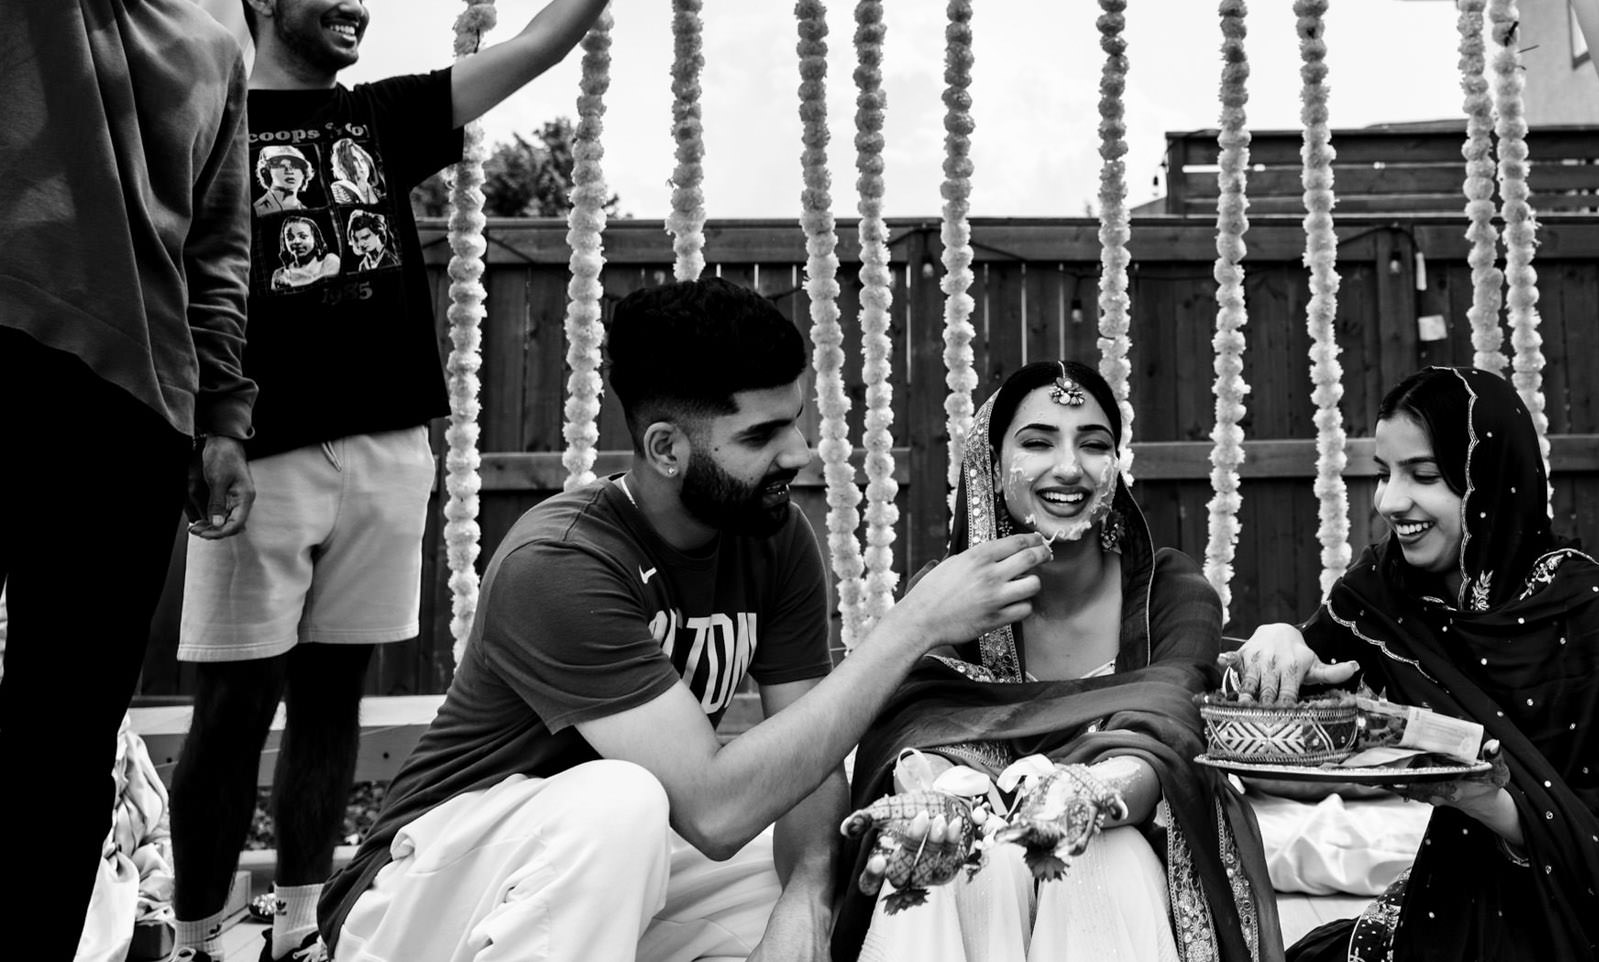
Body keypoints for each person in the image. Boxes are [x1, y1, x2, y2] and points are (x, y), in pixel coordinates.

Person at [165, 0, 677, 960]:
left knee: (329, 700)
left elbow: (535, 47)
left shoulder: (383, 117)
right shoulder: (206, 118)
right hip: (259, 450)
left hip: (394, 446)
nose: (353, 5)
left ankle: (304, 925)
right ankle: (196, 935)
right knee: (228, 706)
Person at [317, 276, 1054, 962]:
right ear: (666, 448)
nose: (798, 453)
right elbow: (713, 810)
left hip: (607, 870)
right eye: (761, 436)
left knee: (856, 878)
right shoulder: (561, 564)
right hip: (426, 891)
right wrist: (909, 626)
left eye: (795, 422)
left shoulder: (774, 537)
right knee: (626, 800)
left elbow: (809, 757)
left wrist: (805, 897)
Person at [0, 0, 351, 957]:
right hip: (6, 353)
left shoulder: (212, 49)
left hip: (135, 420)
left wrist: (220, 417)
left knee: (65, 728)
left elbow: (219, 249)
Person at [1231, 367, 1599, 962]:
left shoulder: (1590, 613)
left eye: (1424, 476)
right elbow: (1302, 684)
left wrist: (1479, 800)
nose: (1390, 501)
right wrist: (1281, 637)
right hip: (1454, 899)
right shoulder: (1386, 588)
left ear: (1490, 481)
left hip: (1586, 926)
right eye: (1384, 474)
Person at [830, 359, 1280, 962]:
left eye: (1093, 444)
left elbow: (1172, 733)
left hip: (1125, 835)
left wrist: (1090, 792)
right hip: (975, 833)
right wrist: (941, 801)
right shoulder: (947, 593)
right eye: (1038, 442)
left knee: (1101, 856)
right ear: (991, 465)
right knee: (964, 864)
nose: (1069, 467)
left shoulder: (1170, 594)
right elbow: (916, 731)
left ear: (1114, 466)